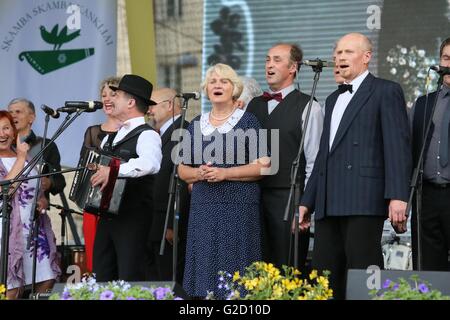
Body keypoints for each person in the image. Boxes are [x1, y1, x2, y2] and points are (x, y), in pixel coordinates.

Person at [299, 33, 412, 299]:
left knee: (363, 273)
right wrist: (307, 201)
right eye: (337, 53)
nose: (340, 58)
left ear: (367, 57)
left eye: (348, 52)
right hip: (328, 201)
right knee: (324, 276)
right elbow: (323, 157)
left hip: (364, 197)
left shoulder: (386, 90)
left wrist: (398, 196)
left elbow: (397, 147)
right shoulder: (332, 99)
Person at [178, 63, 269, 298]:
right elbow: (181, 169)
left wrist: (225, 173)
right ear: (206, 89)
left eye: (224, 81)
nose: (217, 85)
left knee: (237, 270)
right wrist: (199, 173)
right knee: (205, 270)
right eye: (212, 81)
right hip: (203, 208)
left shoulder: (248, 121)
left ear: (234, 88)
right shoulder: (196, 123)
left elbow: (265, 166)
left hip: (238, 207)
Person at [246, 43, 323, 270]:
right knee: (254, 267)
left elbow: (314, 161)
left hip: (289, 199)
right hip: (253, 196)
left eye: (277, 60)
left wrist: (305, 205)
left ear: (293, 67)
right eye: (267, 59)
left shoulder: (308, 106)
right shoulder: (254, 105)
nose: (269, 64)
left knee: (286, 267)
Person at [90, 74, 162, 282]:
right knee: (102, 274)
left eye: (117, 95)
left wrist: (112, 171)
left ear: (130, 102)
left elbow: (150, 164)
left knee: (129, 275)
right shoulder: (110, 138)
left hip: (133, 218)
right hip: (107, 216)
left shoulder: (147, 134)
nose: (111, 99)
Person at [0, 111, 60, 299]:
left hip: (33, 231)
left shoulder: (23, 156)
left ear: (13, 130)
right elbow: (6, 190)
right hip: (7, 232)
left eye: (6, 128)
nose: (2, 134)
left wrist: (41, 198)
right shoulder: (22, 156)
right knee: (12, 288)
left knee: (46, 279)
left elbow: (32, 189)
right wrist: (20, 157)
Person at [410, 37, 450, 271]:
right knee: (428, 269)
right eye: (446, 58)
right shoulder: (424, 103)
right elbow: (409, 148)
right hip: (428, 198)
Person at [146, 88, 190, 283]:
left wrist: (174, 223)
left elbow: (182, 180)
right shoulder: (158, 134)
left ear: (170, 105)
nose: (148, 110)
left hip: (168, 224)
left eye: (152, 104)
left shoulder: (183, 131)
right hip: (153, 222)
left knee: (169, 280)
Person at [79, 76, 121, 273]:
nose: (107, 98)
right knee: (97, 264)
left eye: (112, 94)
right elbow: (83, 173)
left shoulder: (137, 132)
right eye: (103, 95)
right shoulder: (93, 132)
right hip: (95, 205)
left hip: (123, 206)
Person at [7, 98, 66, 202]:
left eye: (18, 112)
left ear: (31, 118)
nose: (13, 116)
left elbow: (59, 182)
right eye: (10, 112)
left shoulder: (46, 146)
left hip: (33, 210)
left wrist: (49, 183)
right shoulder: (3, 146)